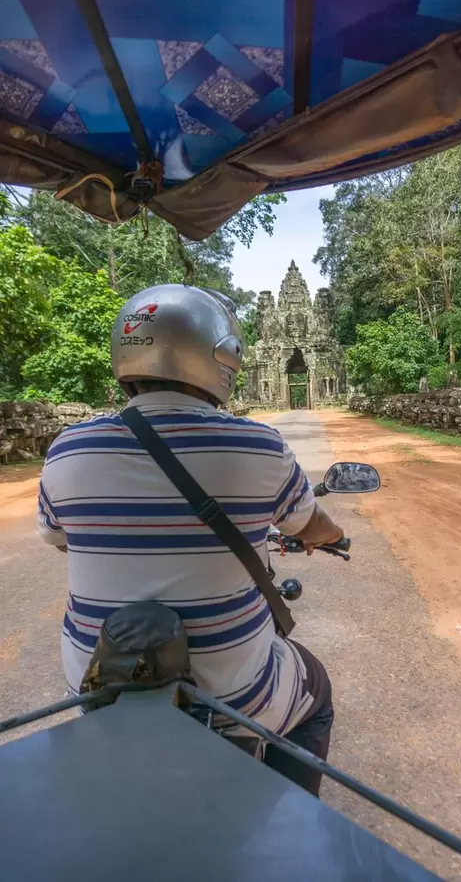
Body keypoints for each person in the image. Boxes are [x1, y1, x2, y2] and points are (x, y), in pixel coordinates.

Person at [37, 284, 344, 796]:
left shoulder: (68, 448)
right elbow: (310, 525)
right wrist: (331, 534)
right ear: (220, 357)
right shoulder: (258, 445)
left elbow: (57, 535)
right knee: (318, 695)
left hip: (99, 685)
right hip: (231, 697)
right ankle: (288, 818)